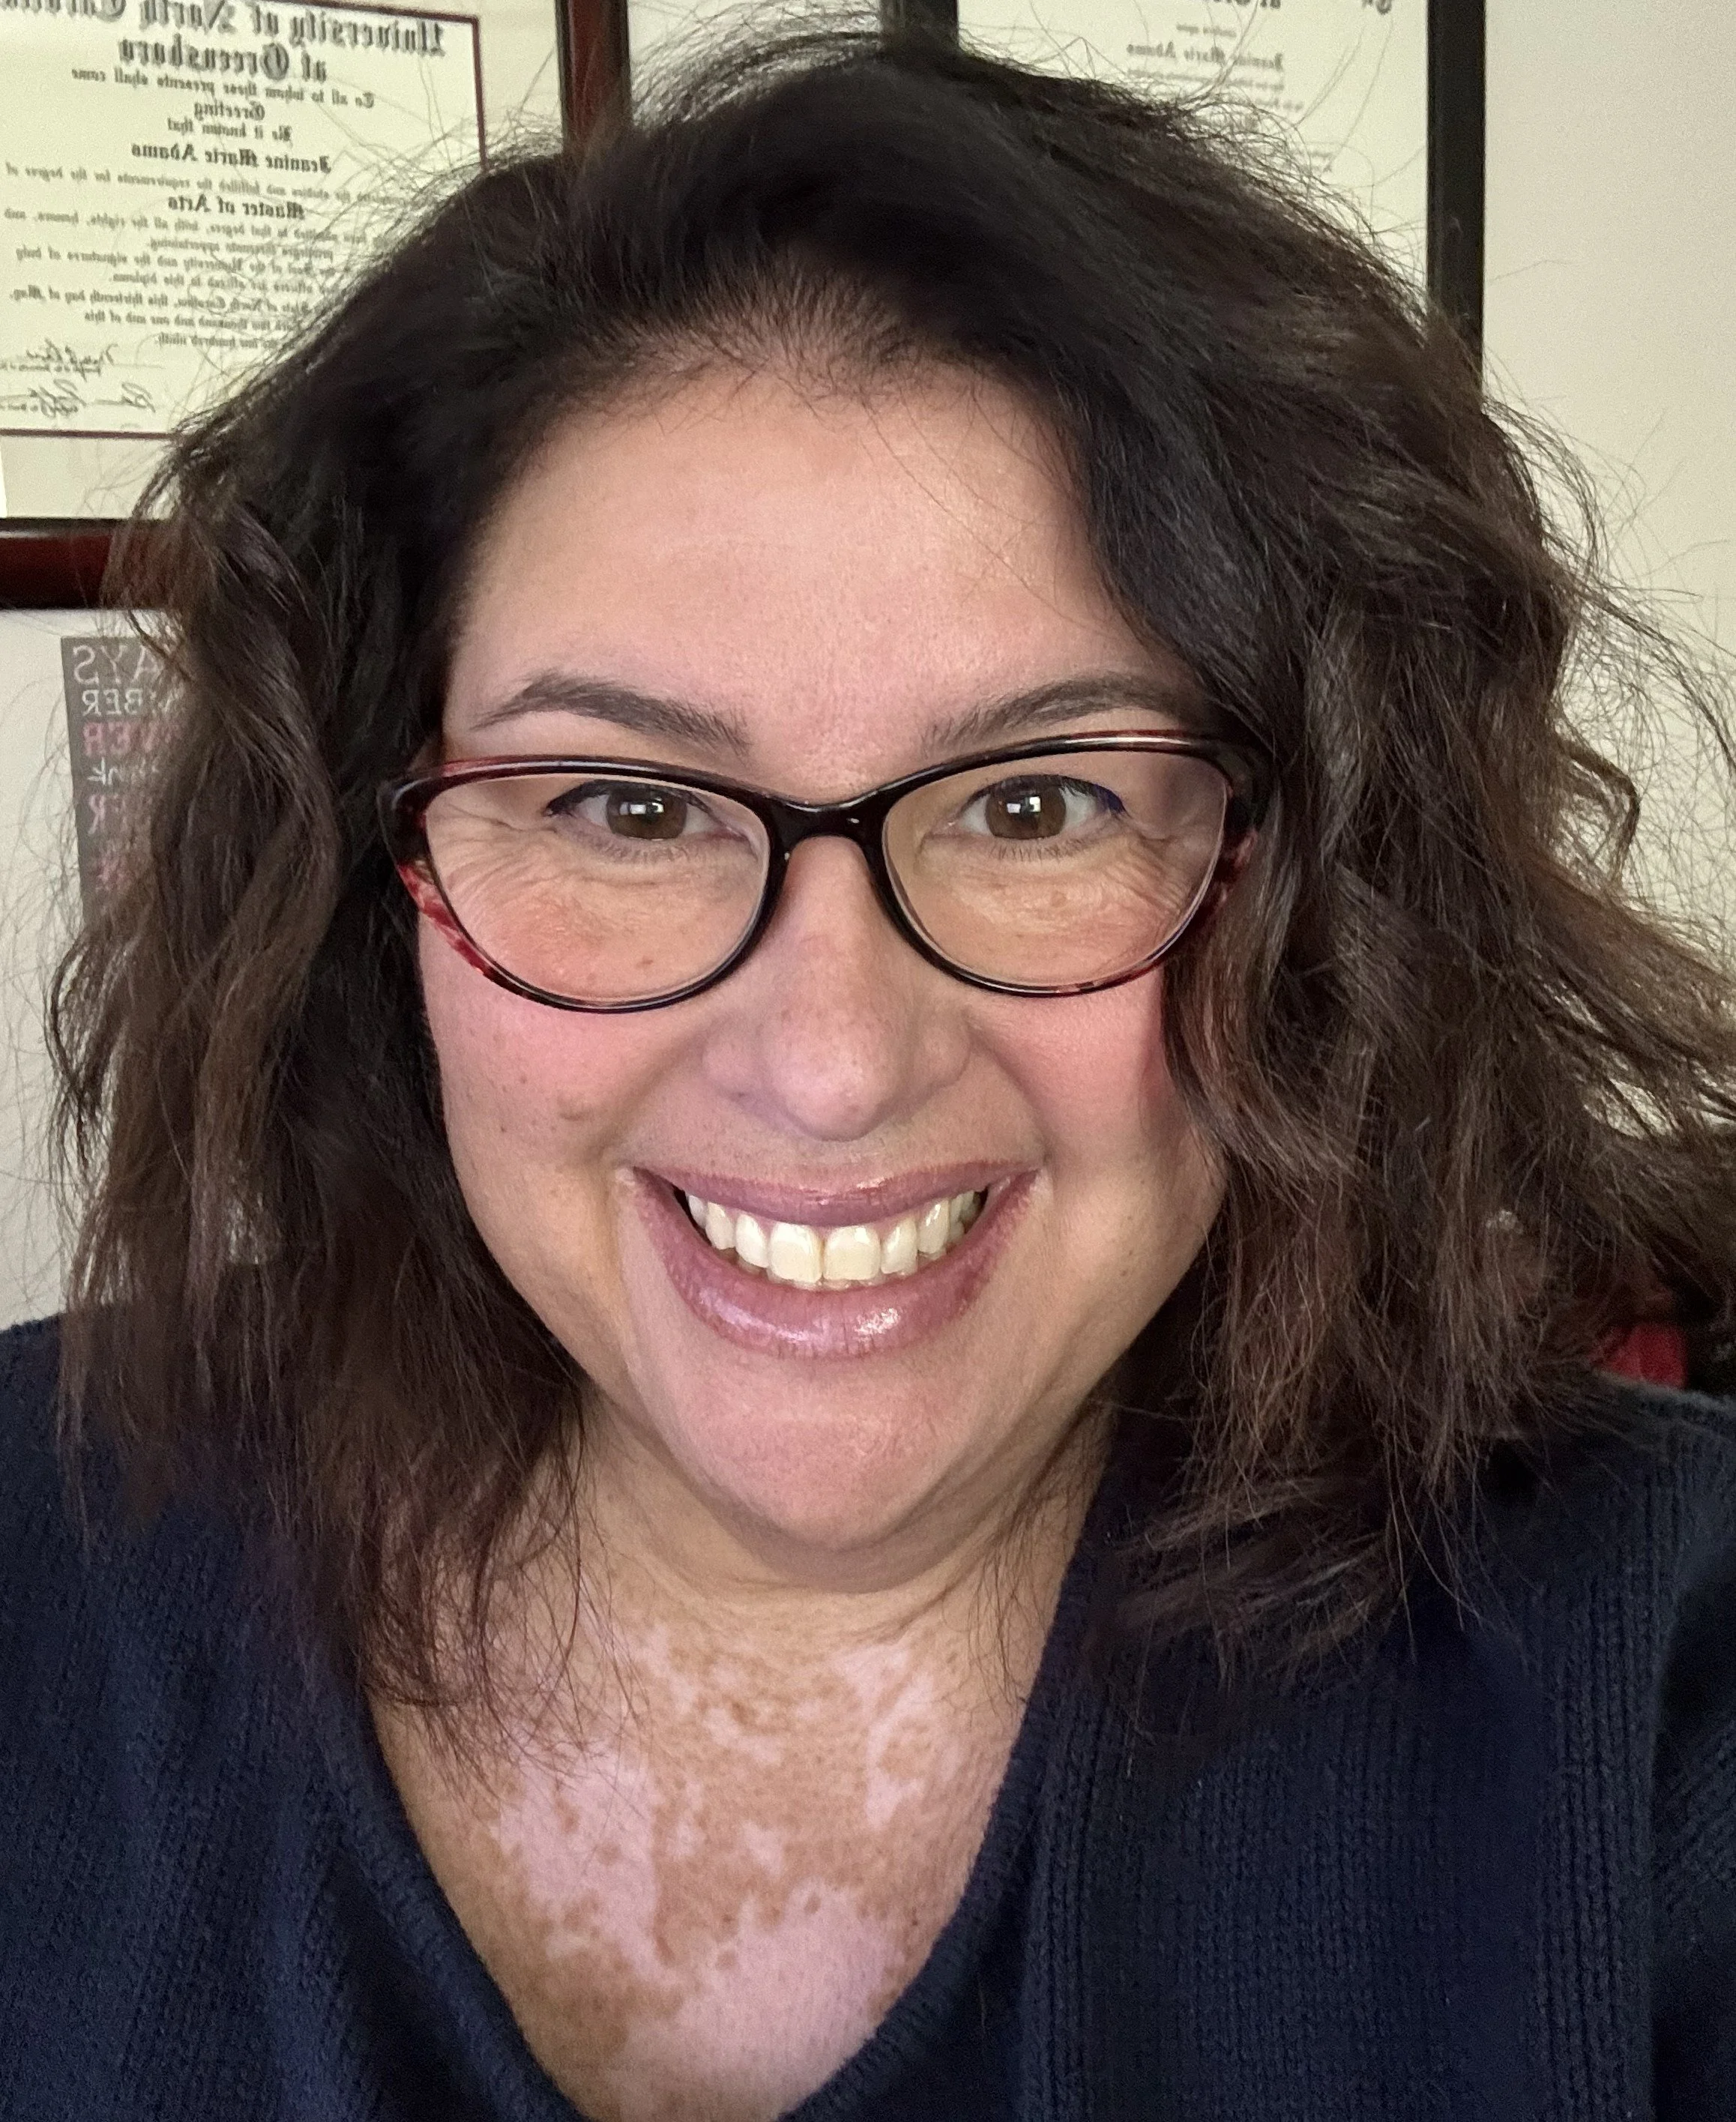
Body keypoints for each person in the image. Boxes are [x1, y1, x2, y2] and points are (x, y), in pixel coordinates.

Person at [4, 28, 1735, 2122]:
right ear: (371, 888)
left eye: (1038, 808)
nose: (830, 1064)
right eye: (627, 809)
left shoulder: (1656, 1693)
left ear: (1310, 891)